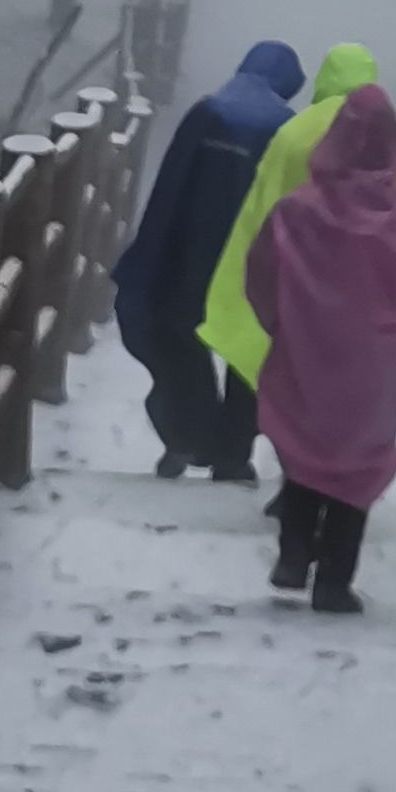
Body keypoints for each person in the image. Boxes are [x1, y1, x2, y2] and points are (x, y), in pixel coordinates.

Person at [200, 40, 396, 520]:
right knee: (361, 404)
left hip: (302, 288)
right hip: (378, 304)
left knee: (299, 393)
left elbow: (263, 208)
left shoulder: (293, 134)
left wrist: (260, 289)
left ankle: (296, 496)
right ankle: (343, 512)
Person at [244, 83, 396, 613]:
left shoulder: (295, 212)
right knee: (356, 465)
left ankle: (294, 552)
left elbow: (260, 277)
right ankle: (334, 582)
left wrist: (282, 322)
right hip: (374, 370)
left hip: (303, 352)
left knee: (302, 447)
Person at [113, 40, 305, 481]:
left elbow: (171, 185)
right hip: (255, 261)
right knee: (250, 355)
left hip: (189, 254)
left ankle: (185, 435)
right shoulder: (287, 127)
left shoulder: (208, 111)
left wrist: (153, 252)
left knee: (180, 343)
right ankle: (232, 456)